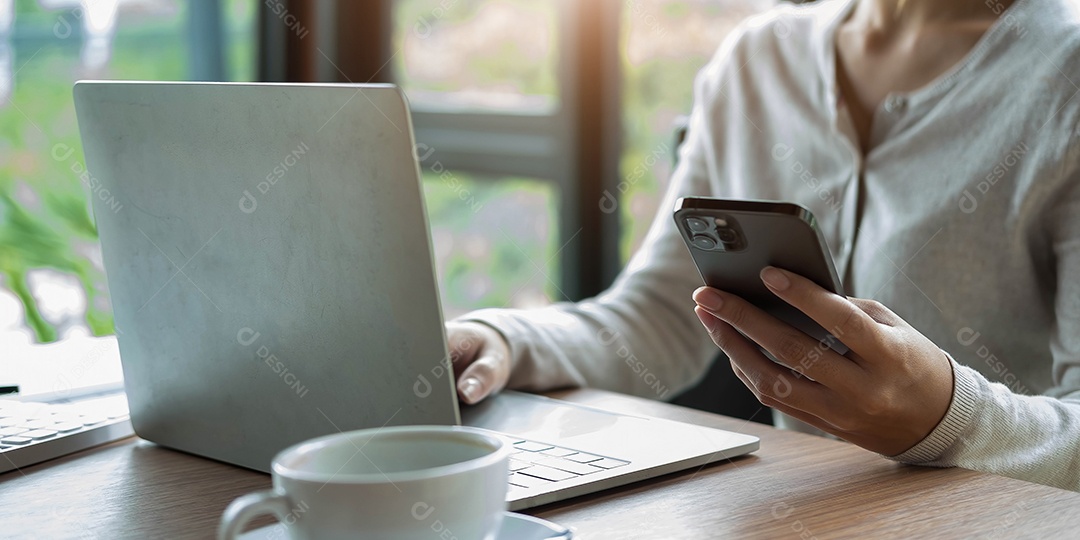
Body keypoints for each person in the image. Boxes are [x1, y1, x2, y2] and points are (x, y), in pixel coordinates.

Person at [447, 0, 1080, 491]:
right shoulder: (757, 61)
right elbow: (659, 317)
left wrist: (950, 419)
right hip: (804, 517)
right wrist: (504, 340)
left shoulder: (1065, 74)